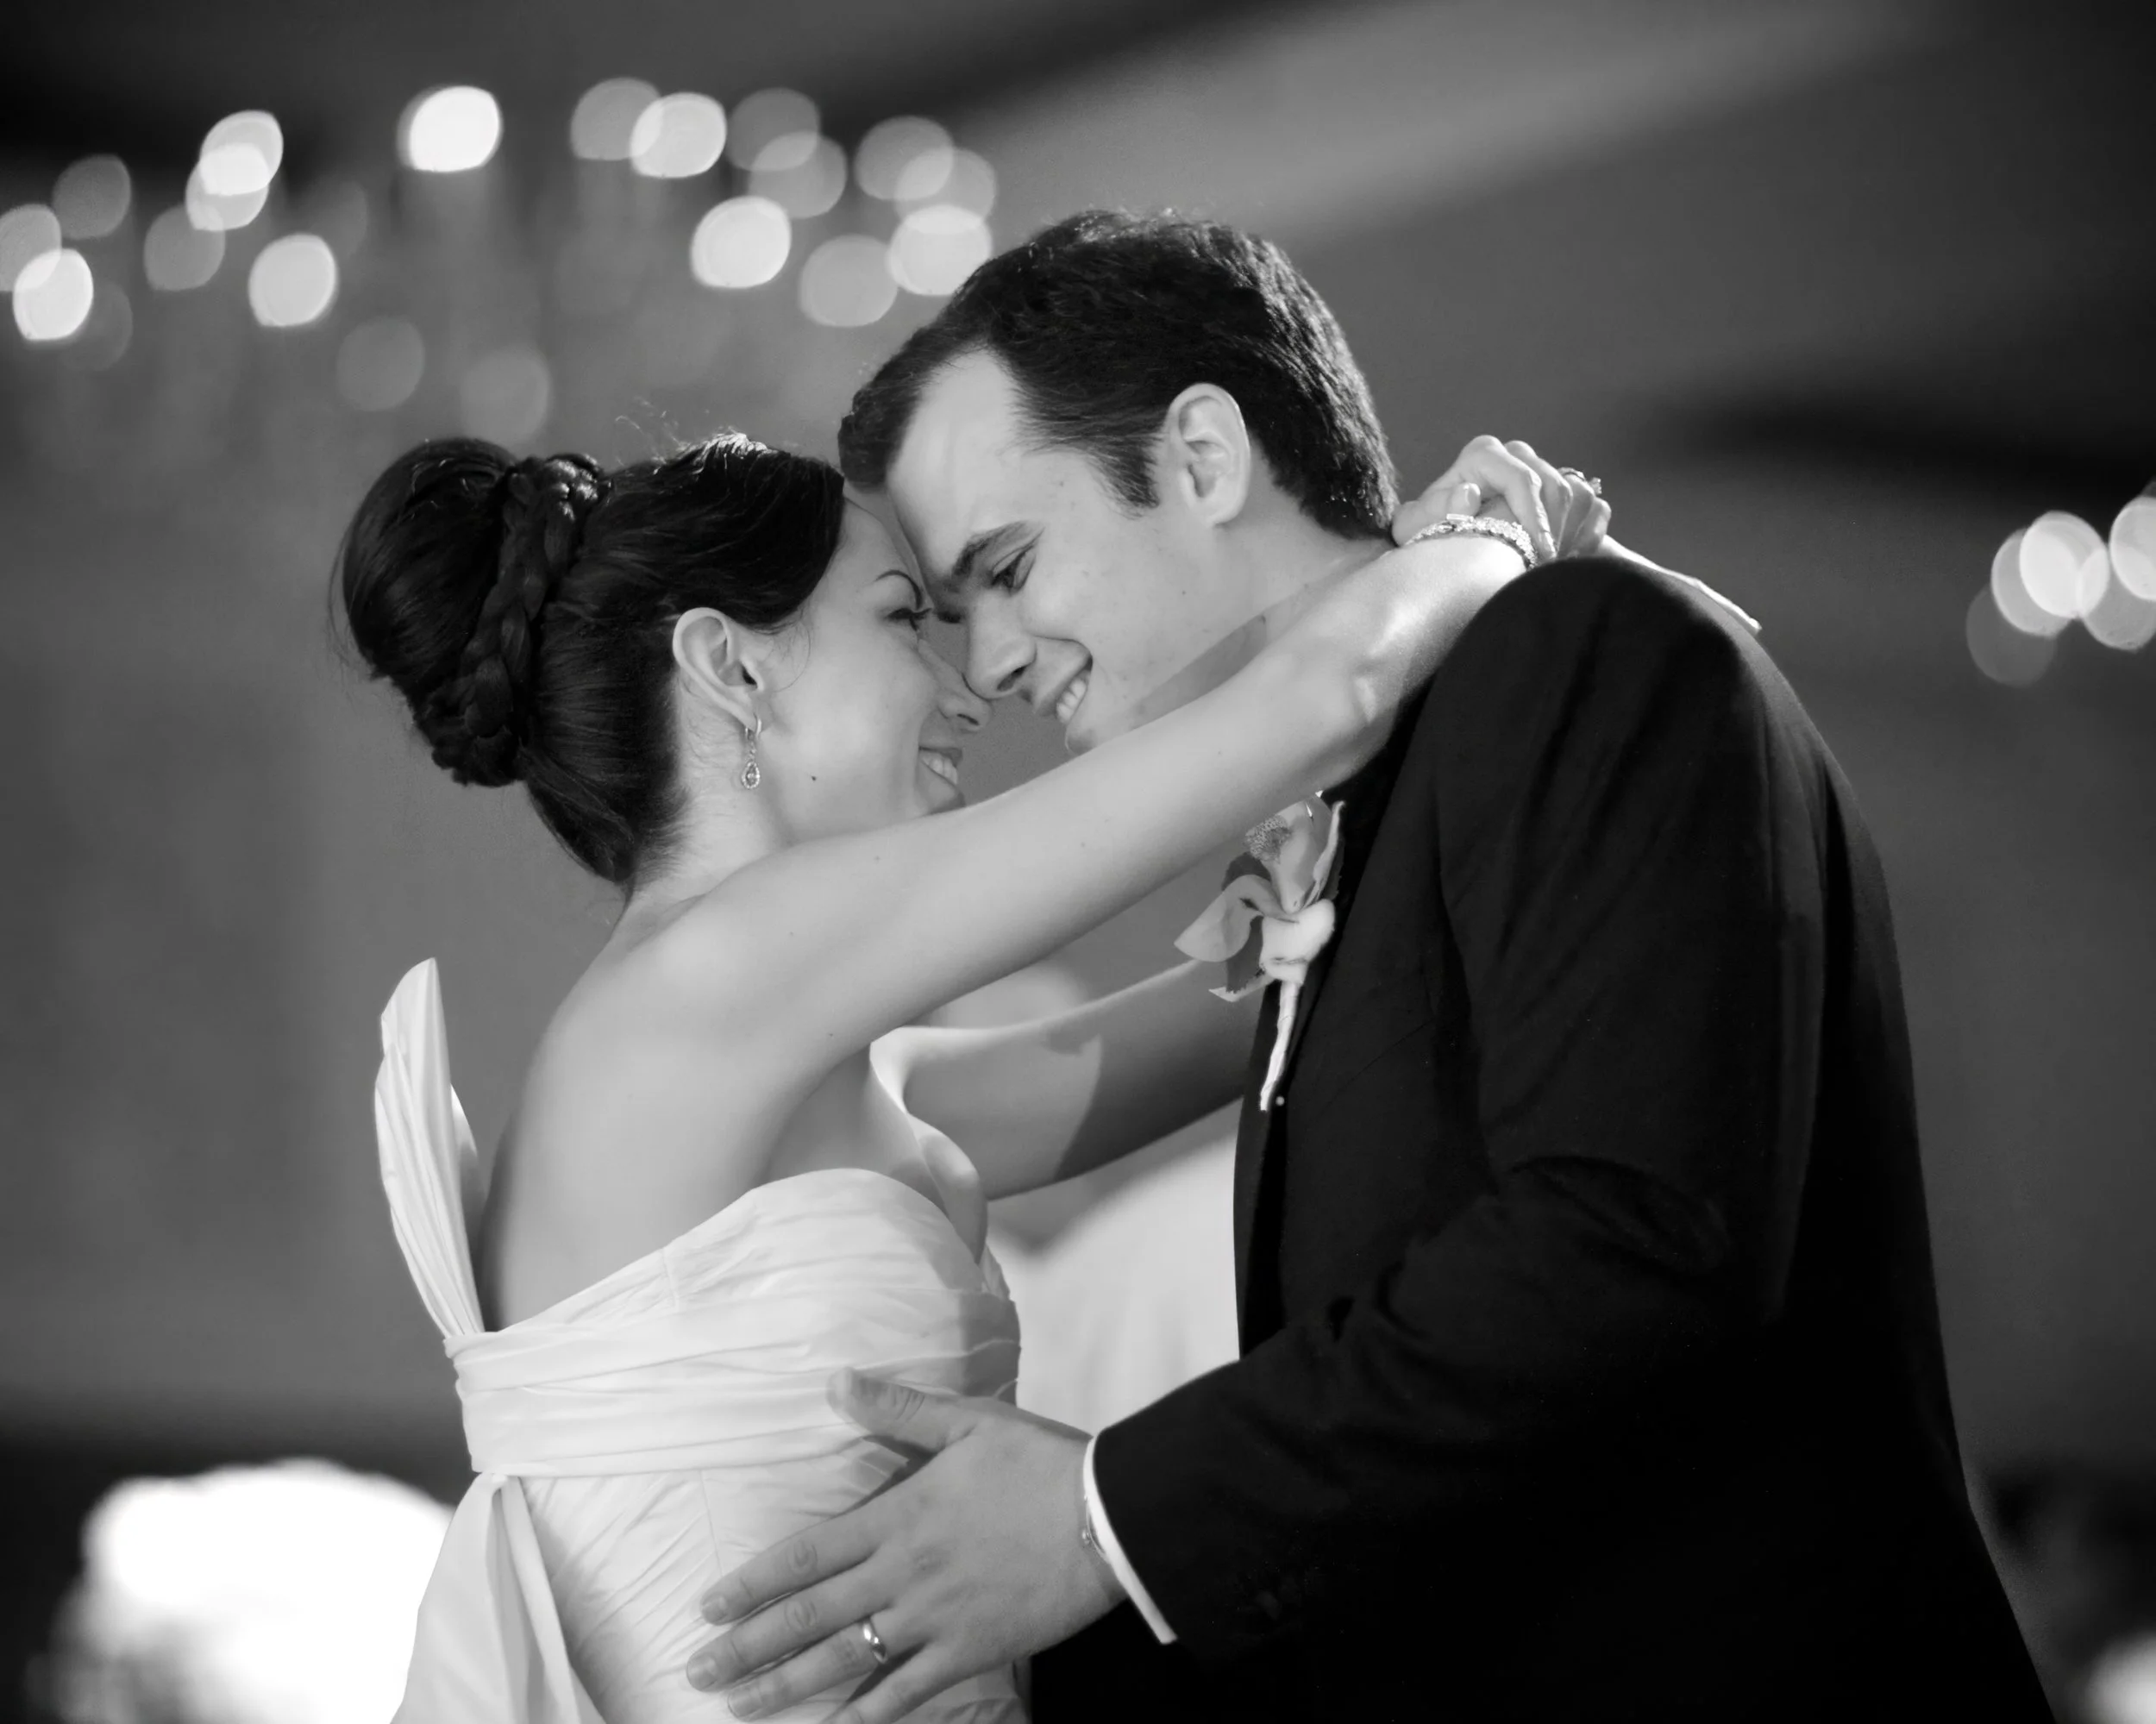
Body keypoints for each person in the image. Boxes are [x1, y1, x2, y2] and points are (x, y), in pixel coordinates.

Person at [687, 211, 2053, 1723]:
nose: (992, 665)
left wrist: (1098, 1519)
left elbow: (1634, 1236)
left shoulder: (1585, 652)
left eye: (1006, 568)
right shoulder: (1351, 832)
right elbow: (1422, 1504)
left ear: (1204, 458)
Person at [347, 416, 1570, 1721]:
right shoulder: (716, 972)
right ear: (730, 666)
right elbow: (1323, 702)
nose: (966, 686)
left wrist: (1333, 892)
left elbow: (1236, 1015)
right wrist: (1490, 534)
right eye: (903, 620)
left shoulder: (789, 1064)